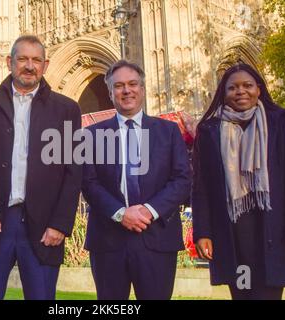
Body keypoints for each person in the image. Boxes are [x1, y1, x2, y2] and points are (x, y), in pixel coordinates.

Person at [0, 35, 82, 300]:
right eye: (23, 59)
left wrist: (60, 224)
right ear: (9, 62)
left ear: (46, 65)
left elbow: (73, 172)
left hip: (43, 228)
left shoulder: (66, 109)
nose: (30, 66)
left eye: (36, 60)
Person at [192, 63, 285, 300]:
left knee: (268, 294)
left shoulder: (280, 122)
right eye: (232, 87)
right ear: (223, 94)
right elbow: (201, 187)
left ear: (259, 88)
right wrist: (202, 232)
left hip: (272, 231)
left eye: (247, 85)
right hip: (233, 234)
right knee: (242, 292)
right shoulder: (210, 130)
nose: (240, 92)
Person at [82, 60, 191, 300]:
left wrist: (149, 211)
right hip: (108, 240)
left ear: (142, 89)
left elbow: (182, 179)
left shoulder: (168, 131)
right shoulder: (92, 135)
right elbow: (88, 183)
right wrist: (121, 213)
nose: (126, 90)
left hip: (157, 237)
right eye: (119, 86)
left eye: (132, 84)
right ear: (110, 93)